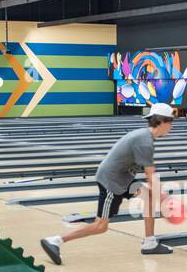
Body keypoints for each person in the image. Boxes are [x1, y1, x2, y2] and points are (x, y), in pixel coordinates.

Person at [40, 102, 175, 263]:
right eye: (171, 122)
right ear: (162, 121)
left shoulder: (144, 136)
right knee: (100, 226)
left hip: (123, 179)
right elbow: (150, 174)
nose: (172, 126)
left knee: (149, 197)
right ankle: (55, 241)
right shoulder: (144, 141)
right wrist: (165, 199)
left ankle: (149, 243)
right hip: (111, 181)